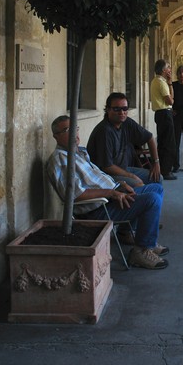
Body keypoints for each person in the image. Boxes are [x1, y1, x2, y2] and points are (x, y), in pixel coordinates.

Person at [47, 115, 169, 270]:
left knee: (156, 187)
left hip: (112, 196)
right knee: (151, 199)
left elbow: (99, 177)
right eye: (67, 130)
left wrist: (120, 185)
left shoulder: (80, 152)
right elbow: (74, 195)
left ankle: (143, 239)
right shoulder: (60, 160)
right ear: (56, 136)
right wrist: (112, 193)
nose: (74, 133)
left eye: (75, 128)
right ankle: (141, 251)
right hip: (98, 209)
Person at [87, 92, 161, 188]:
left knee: (157, 178)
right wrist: (132, 176)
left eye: (124, 109)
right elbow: (107, 167)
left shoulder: (126, 122)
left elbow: (149, 137)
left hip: (124, 169)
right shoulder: (104, 131)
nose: (121, 112)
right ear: (108, 109)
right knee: (139, 185)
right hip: (105, 175)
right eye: (116, 109)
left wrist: (156, 163)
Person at [150, 59, 177, 180]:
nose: (170, 70)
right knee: (168, 142)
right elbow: (170, 101)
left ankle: (162, 169)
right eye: (168, 67)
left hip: (160, 114)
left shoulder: (155, 81)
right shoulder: (161, 82)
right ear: (163, 70)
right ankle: (166, 171)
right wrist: (170, 84)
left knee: (162, 142)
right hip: (165, 113)